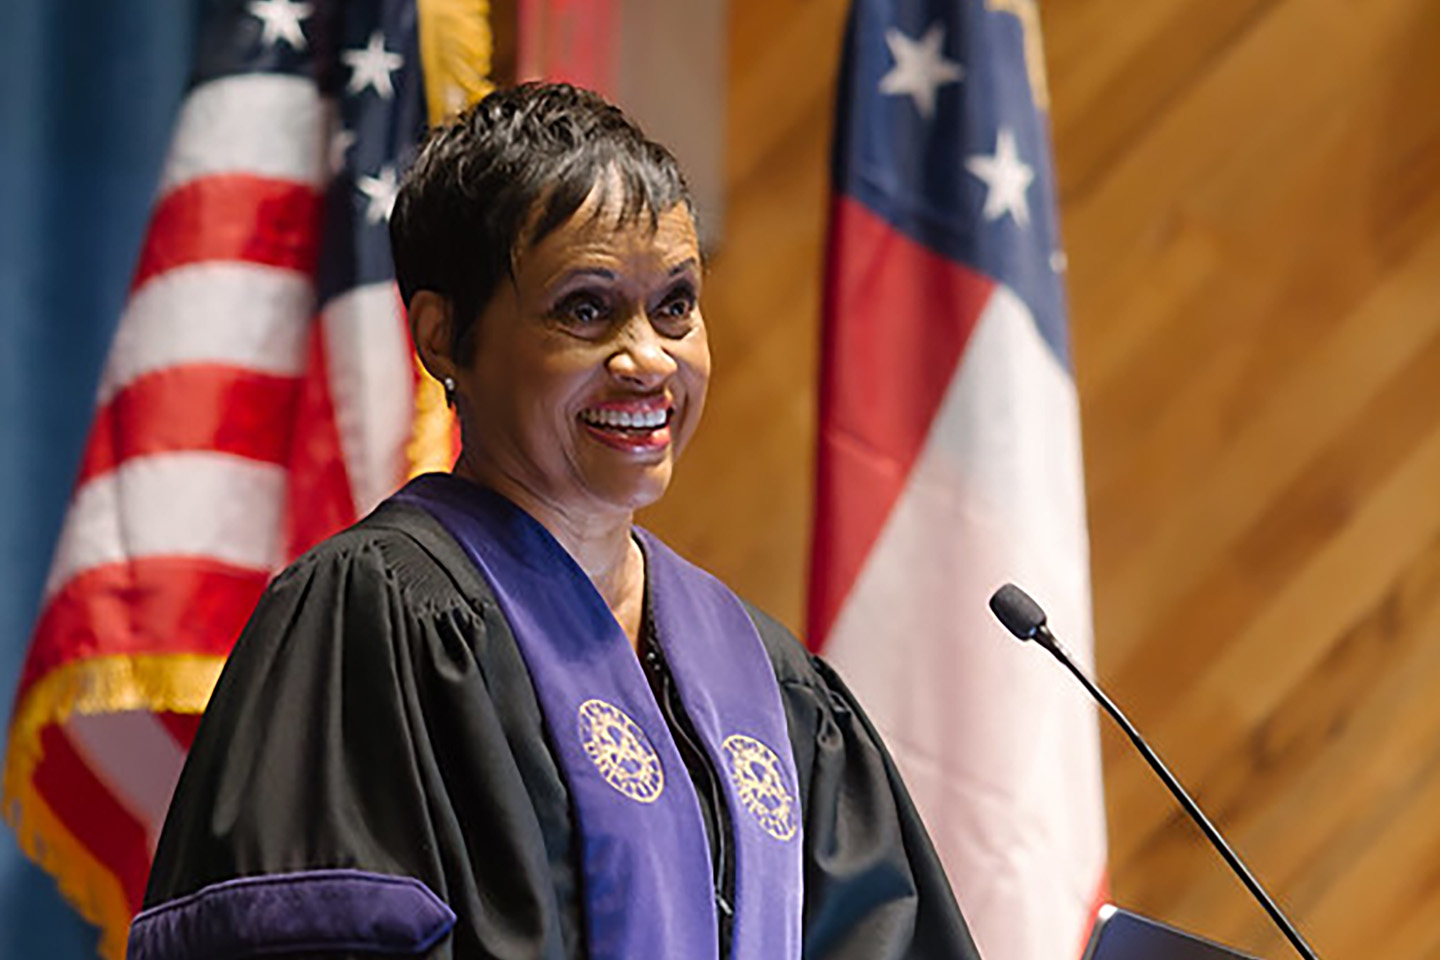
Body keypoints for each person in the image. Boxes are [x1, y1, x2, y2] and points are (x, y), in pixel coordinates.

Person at [129, 83, 982, 960]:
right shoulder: (374, 623)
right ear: (444, 338)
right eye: (587, 309)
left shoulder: (767, 681)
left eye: (676, 306)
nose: (648, 358)